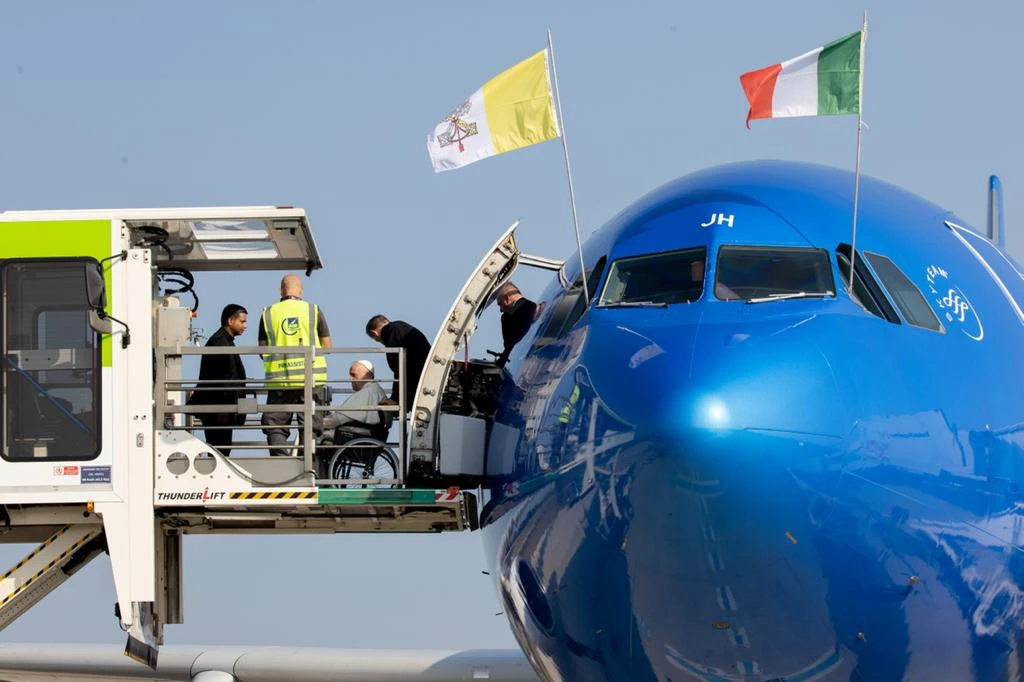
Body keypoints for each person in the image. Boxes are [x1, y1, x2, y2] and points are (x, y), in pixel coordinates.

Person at [259, 274, 331, 456]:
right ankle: (306, 467)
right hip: (311, 380)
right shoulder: (313, 310)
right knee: (310, 427)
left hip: (280, 382)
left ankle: (281, 464)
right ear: (301, 290)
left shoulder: (268, 313)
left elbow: (262, 349)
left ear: (280, 290)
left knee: (275, 426)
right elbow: (327, 346)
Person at [187, 304, 248, 456]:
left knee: (220, 450)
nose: (245, 326)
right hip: (219, 410)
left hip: (221, 409)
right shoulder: (220, 343)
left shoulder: (223, 341)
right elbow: (222, 377)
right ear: (230, 321)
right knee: (220, 451)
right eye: (242, 321)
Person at [365, 315, 430, 411]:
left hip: (418, 376)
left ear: (374, 333)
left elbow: (399, 365)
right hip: (425, 374)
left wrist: (395, 399)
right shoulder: (400, 327)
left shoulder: (391, 331)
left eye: (377, 340)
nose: (381, 342)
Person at [325, 360, 387, 435]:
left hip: (352, 435)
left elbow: (339, 419)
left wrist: (319, 423)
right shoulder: (376, 390)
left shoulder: (368, 392)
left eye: (354, 375)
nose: (350, 379)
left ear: (366, 375)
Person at [495, 282, 538, 367]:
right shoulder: (531, 307)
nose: (501, 310)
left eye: (500, 304)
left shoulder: (509, 316)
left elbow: (510, 343)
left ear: (507, 298)